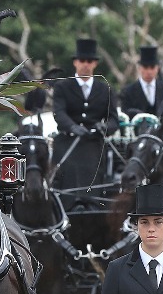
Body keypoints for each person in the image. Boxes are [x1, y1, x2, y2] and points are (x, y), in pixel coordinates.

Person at [51, 38, 119, 190]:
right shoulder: (62, 87)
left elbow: (114, 120)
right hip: (68, 142)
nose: (85, 64)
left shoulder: (105, 89)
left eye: (89, 61)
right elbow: (59, 113)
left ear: (95, 64)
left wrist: (105, 127)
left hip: (94, 144)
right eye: (82, 60)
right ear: (75, 62)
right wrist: (72, 127)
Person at [118, 45, 163, 119]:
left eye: (152, 67)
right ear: (139, 68)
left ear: (157, 68)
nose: (149, 72)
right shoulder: (127, 91)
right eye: (145, 67)